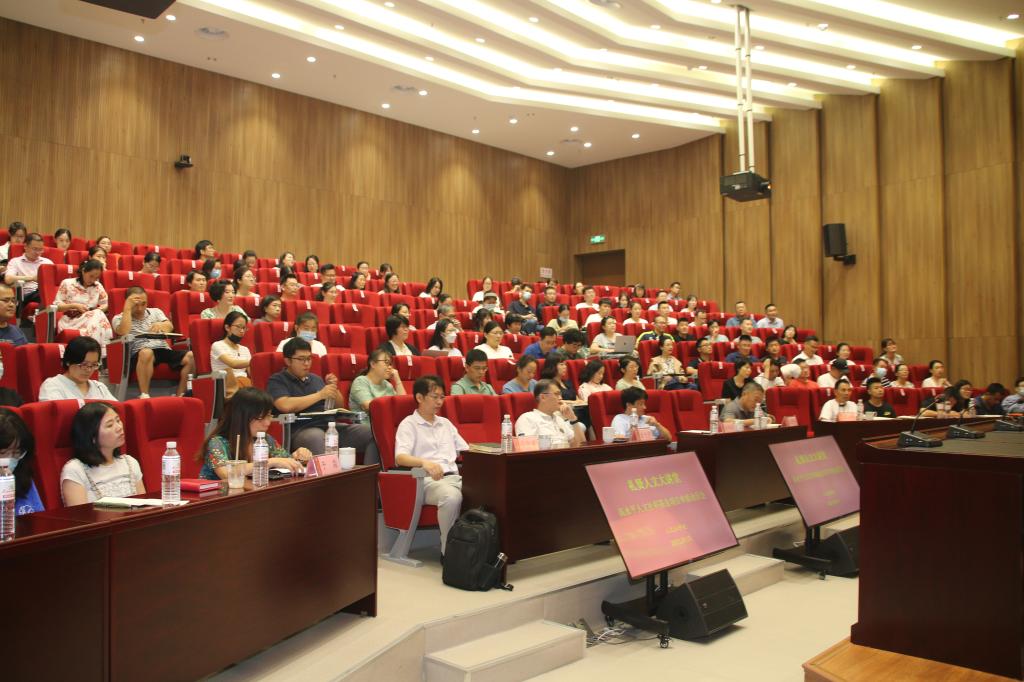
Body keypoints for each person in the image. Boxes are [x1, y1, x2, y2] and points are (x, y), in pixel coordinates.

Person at [268, 338, 379, 462]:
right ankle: (330, 474)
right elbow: (284, 405)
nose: (306, 363)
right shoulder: (278, 380)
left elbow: (339, 405)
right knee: (318, 437)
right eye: (301, 359)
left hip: (330, 426)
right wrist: (320, 395)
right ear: (288, 361)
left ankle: (371, 473)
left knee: (372, 432)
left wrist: (333, 388)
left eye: (309, 358)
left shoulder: (316, 379)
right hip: (302, 430)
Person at [394, 375, 468, 555]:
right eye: (434, 397)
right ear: (419, 397)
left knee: (490, 492)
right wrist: (424, 463)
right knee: (451, 497)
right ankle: (448, 552)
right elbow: (400, 458)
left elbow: (465, 450)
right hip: (426, 481)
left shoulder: (446, 424)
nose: (439, 402)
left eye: (442, 397)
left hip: (454, 477)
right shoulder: (409, 424)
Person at [198, 387, 307, 481]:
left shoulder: (265, 440)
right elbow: (226, 473)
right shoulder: (217, 442)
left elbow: (284, 460)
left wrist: (298, 457)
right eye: (260, 417)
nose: (268, 423)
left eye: (269, 415)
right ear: (241, 418)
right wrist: (269, 462)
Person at [112, 286, 195, 398]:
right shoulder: (119, 318)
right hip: (139, 352)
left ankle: (180, 395)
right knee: (146, 352)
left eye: (143, 304)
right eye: (136, 304)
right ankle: (144, 395)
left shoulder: (156, 312)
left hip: (162, 348)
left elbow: (170, 326)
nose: (140, 308)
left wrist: (162, 325)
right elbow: (123, 331)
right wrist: (127, 309)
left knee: (191, 356)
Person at [60, 402, 144, 505]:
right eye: (110, 425)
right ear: (93, 437)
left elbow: (144, 508)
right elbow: (79, 514)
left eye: (118, 420)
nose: (119, 427)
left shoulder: (130, 462)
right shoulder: (76, 470)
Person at [39, 336, 116, 401]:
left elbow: (117, 410)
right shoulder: (52, 385)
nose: (89, 370)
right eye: (84, 364)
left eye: (94, 365)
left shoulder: (99, 387)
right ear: (68, 361)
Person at [514, 379, 585, 447]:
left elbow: (581, 445)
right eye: (556, 394)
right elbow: (527, 449)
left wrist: (573, 419)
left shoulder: (559, 420)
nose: (560, 398)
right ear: (543, 397)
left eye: (560, 394)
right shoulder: (527, 419)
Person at [0, 409, 43, 514]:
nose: (9, 460)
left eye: (16, 453)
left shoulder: (22, 477)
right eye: (3, 453)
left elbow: (39, 517)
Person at [349, 349, 406, 414]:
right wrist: (392, 407)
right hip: (367, 420)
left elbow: (402, 404)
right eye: (386, 362)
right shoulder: (360, 381)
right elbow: (369, 406)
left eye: (390, 364)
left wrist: (397, 380)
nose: (390, 367)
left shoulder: (387, 384)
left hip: (387, 419)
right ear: (373, 364)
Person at [211, 311, 252, 398]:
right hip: (227, 386)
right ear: (227, 327)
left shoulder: (245, 349)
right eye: (238, 327)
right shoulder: (217, 345)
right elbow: (233, 364)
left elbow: (252, 373)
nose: (242, 331)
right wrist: (256, 360)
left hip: (246, 385)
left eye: (244, 328)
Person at [4, 232, 52, 306]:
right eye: (35, 249)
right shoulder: (15, 261)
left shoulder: (47, 262)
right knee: (43, 294)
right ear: (25, 246)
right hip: (26, 296)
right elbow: (8, 279)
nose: (38, 253)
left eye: (40, 249)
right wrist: (32, 278)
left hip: (43, 291)